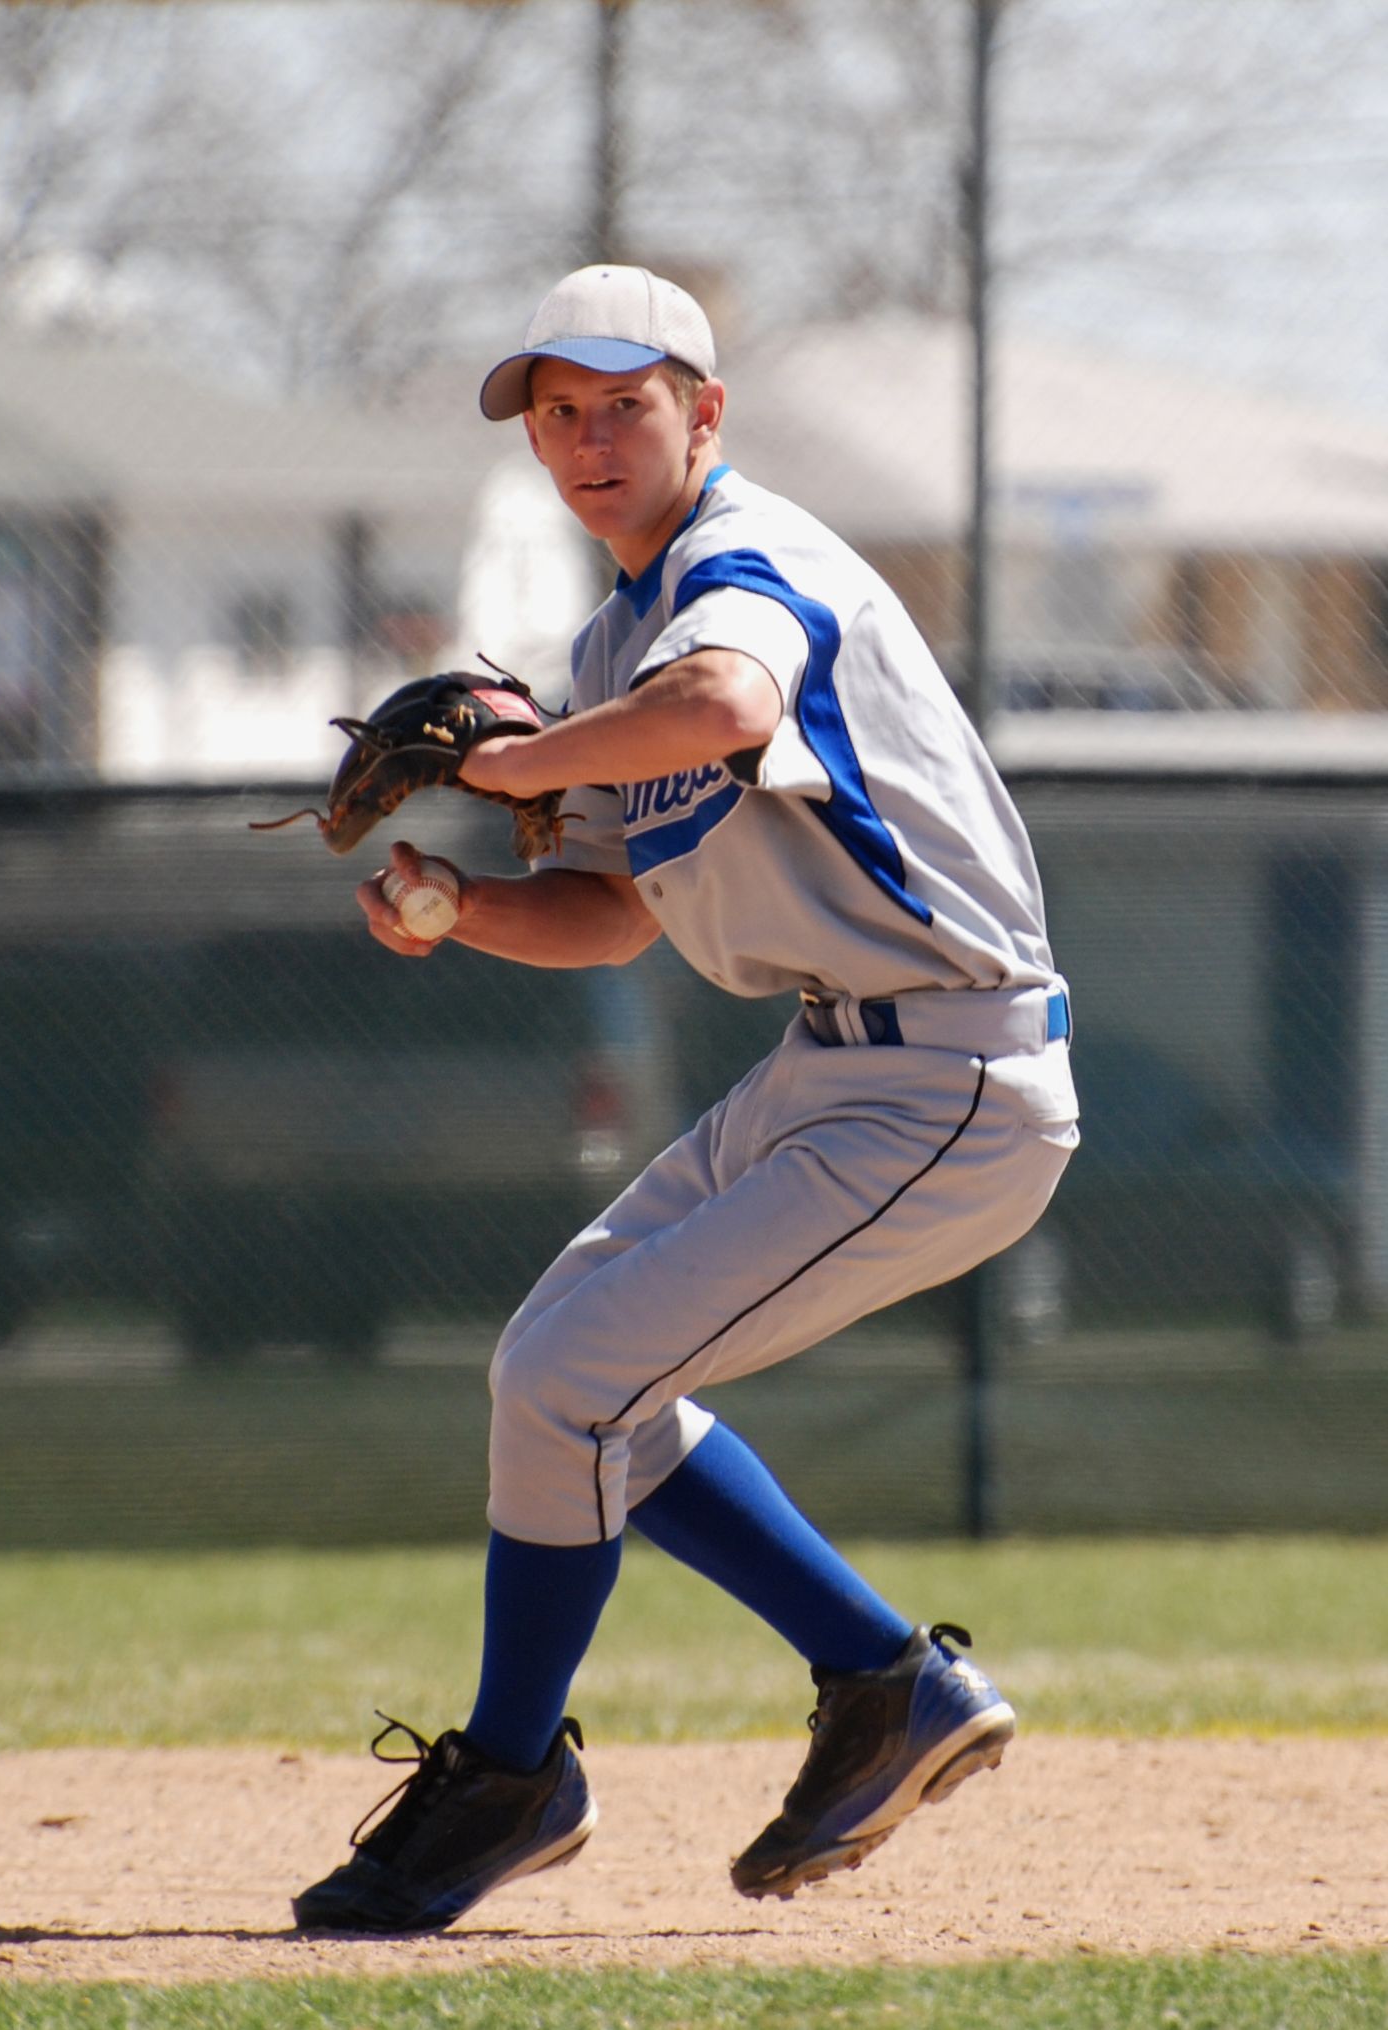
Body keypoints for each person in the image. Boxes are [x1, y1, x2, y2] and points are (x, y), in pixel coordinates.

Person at [292, 264, 1079, 1936]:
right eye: (555, 412)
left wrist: (507, 763)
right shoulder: (608, 644)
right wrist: (459, 906)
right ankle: (883, 1682)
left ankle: (513, 1776)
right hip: (835, 1062)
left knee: (579, 1376)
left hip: (957, 1071)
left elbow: (729, 703)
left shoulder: (748, 563)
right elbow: (612, 912)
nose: (586, 438)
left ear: (702, 414)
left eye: (623, 403)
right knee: (560, 1369)